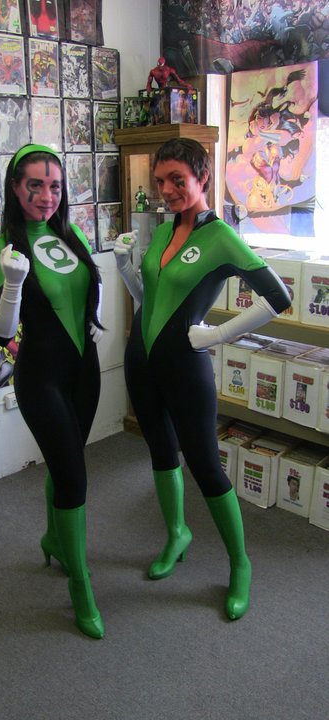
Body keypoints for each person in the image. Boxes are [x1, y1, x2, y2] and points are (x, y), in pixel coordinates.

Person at [114, 137, 291, 621]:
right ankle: (177, 533)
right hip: (142, 361)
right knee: (159, 451)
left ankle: (240, 564)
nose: (167, 190)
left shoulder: (221, 238)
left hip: (185, 367)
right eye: (160, 181)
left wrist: (218, 334)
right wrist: (125, 268)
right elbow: (150, 299)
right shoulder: (163, 231)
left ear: (203, 178)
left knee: (206, 466)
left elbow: (278, 297)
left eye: (178, 180)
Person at [0, 144, 104, 639]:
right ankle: (80, 585)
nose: (46, 196)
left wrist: (94, 317)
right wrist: (13, 284)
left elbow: (84, 287)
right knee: (74, 477)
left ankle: (54, 539)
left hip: (85, 370)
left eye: (55, 186)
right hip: (41, 378)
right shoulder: (3, 249)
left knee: (65, 460)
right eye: (35, 185)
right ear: (16, 187)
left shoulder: (69, 234)